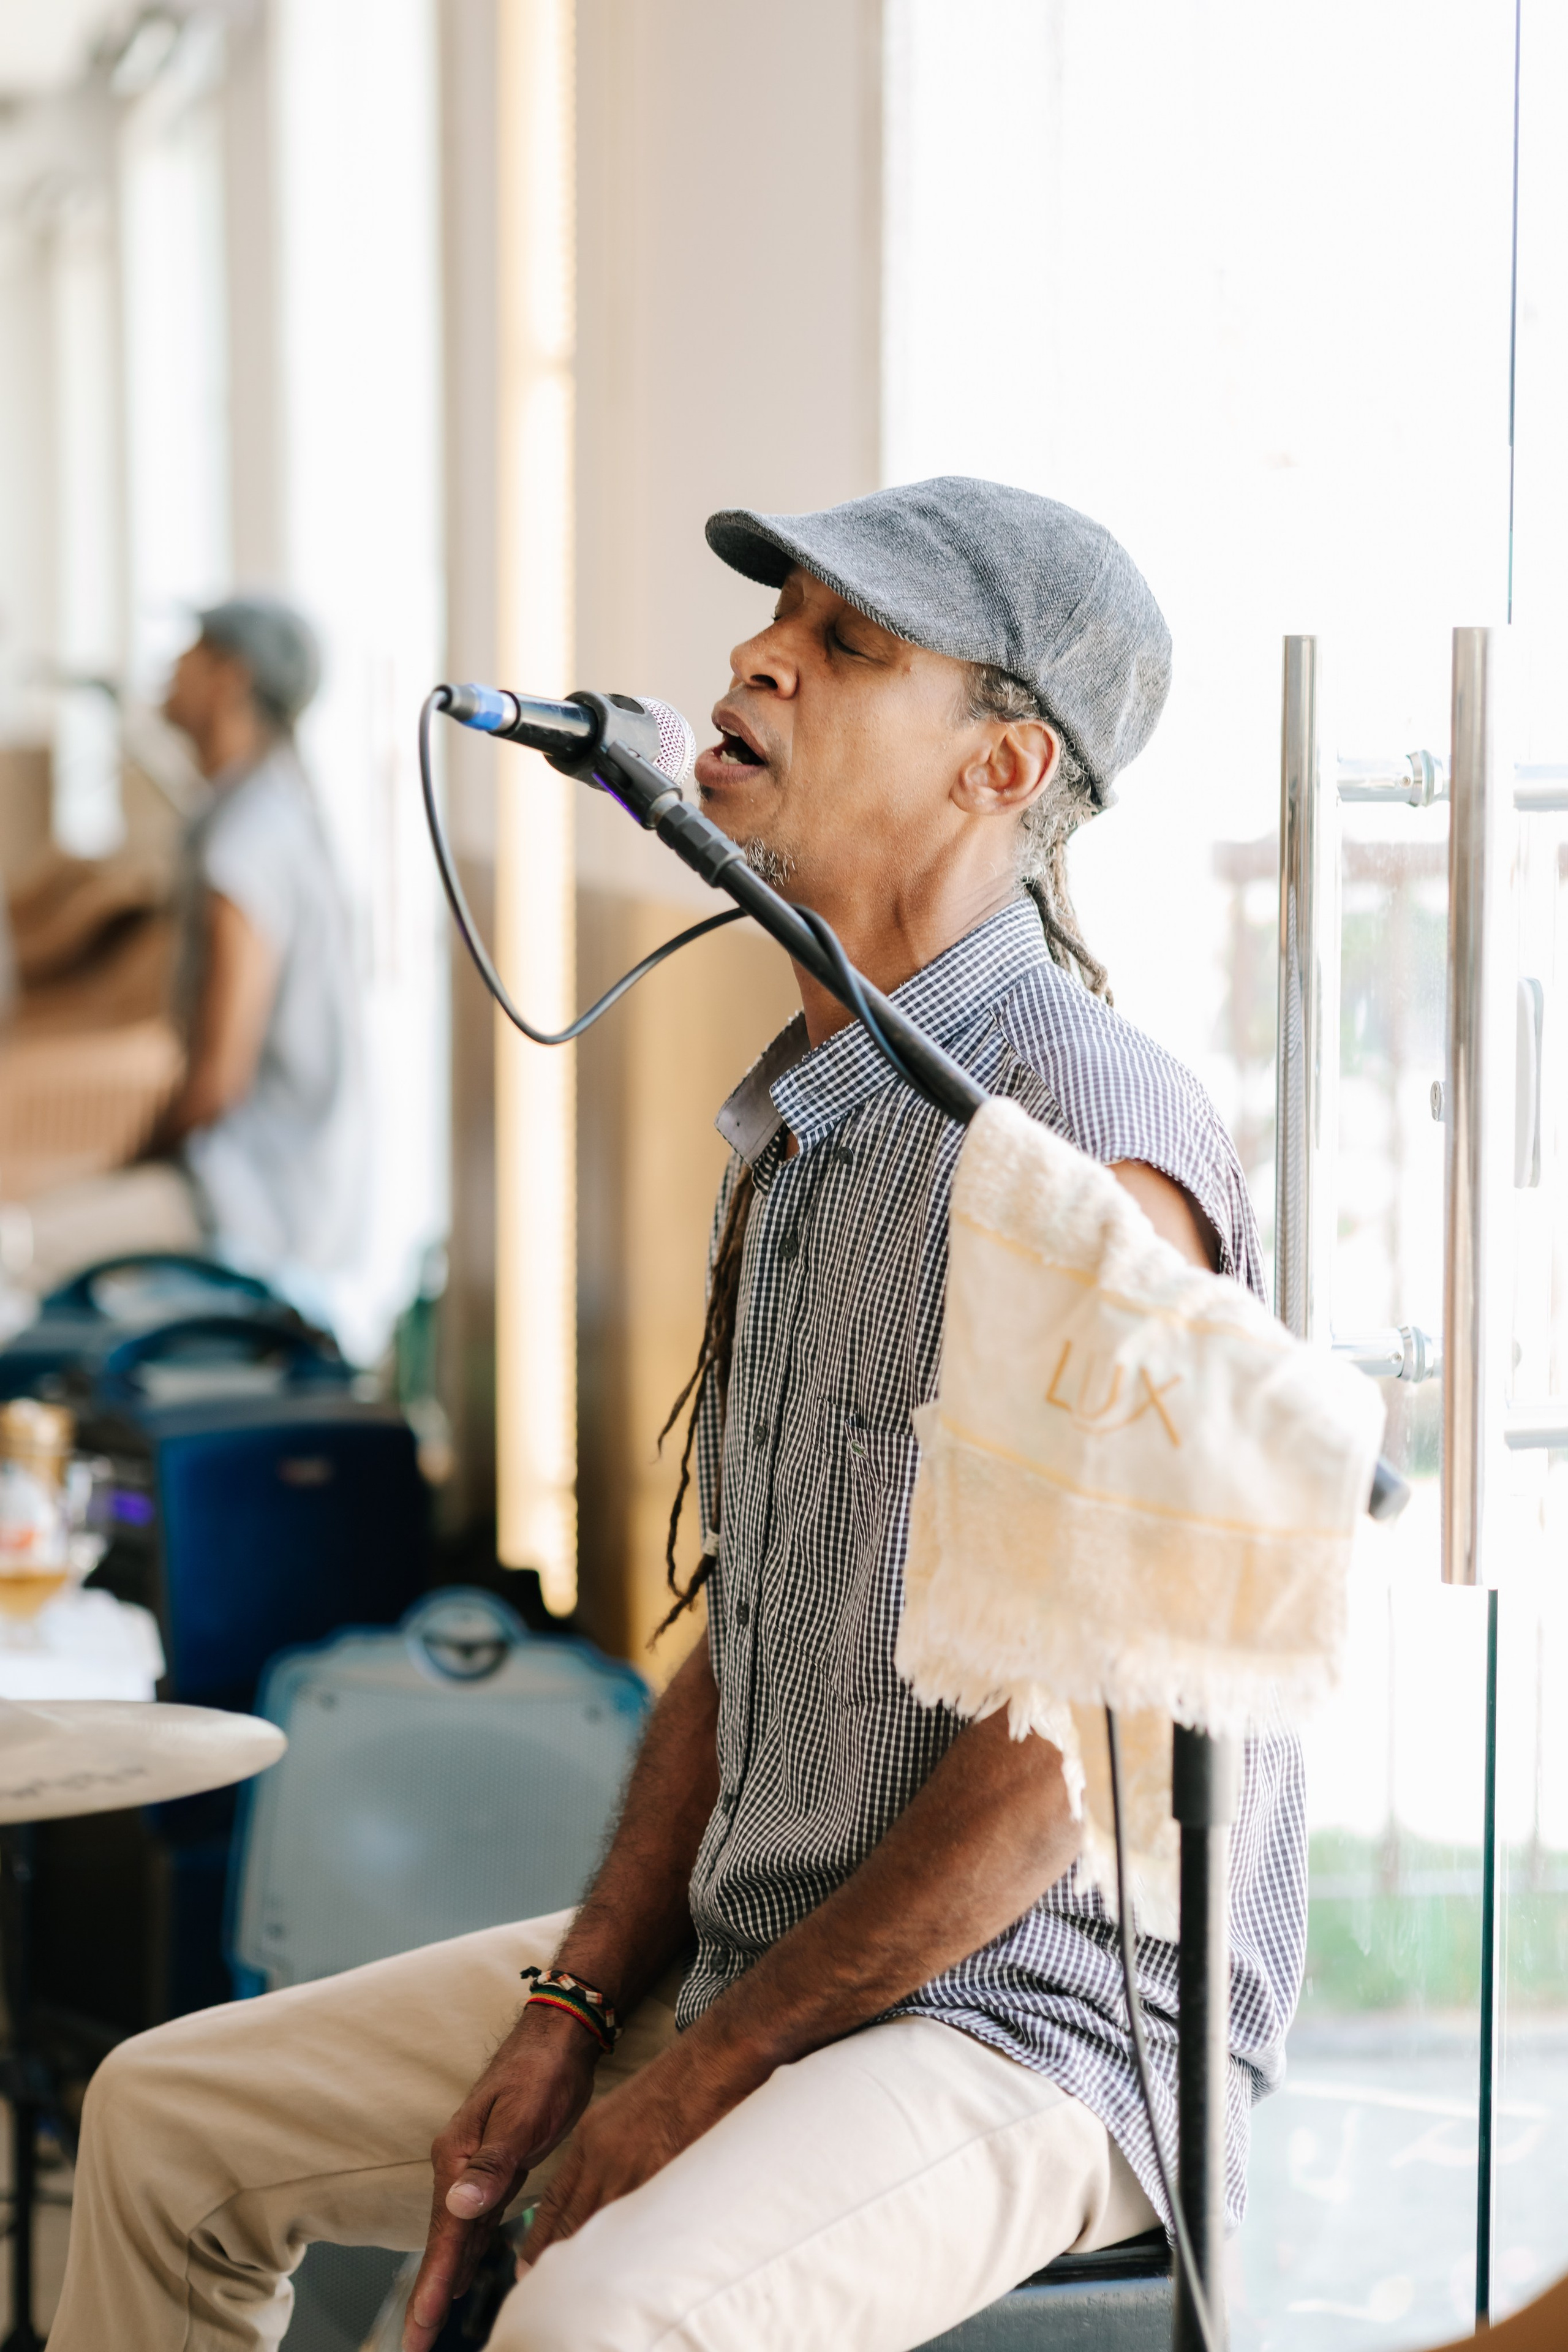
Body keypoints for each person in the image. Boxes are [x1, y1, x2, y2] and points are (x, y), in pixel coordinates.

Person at [48, 482, 1305, 2352]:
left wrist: (697, 2070)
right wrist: (575, 2003)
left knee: (593, 2317)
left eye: (849, 643)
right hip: (771, 1938)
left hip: (1042, 2009)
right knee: (163, 2121)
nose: (754, 657)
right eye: (775, 615)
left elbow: (1058, 1779)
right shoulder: (811, 1108)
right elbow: (753, 1631)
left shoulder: (1084, 1158)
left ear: (1001, 767)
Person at [2, 597, 364, 1316]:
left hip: (252, 1207)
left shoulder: (246, 845)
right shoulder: (268, 809)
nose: (170, 670)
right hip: (264, 1186)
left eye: (190, 652)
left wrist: (129, 1168)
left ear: (230, 678)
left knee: (12, 1253)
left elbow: (216, 1081)